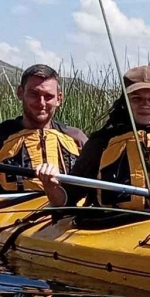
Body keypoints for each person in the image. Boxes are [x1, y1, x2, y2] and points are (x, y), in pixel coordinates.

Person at [42, 65, 150, 209]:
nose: (145, 105)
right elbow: (66, 199)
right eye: (137, 99)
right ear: (125, 102)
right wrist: (50, 186)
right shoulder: (102, 142)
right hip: (112, 227)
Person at [0, 63, 87, 200]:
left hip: (66, 216)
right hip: (11, 215)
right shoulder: (2, 136)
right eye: (34, 94)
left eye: (48, 96)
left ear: (59, 99)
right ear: (20, 93)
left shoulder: (76, 138)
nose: (41, 103)